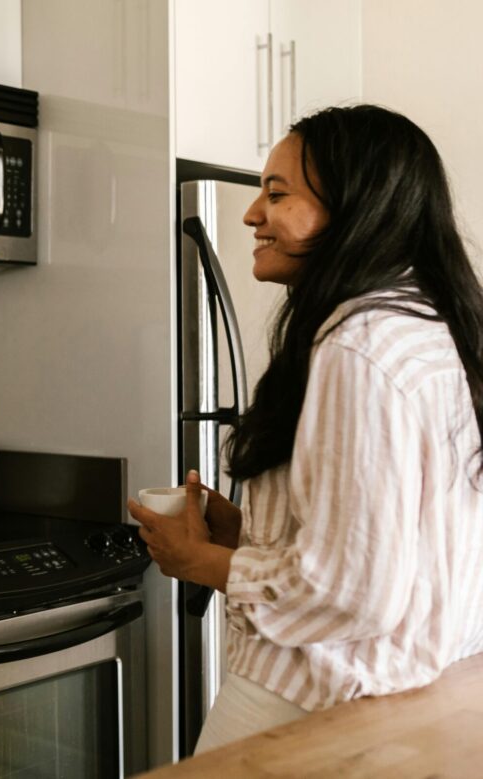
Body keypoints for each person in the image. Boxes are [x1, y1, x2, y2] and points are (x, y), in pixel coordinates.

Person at [130, 104, 483, 753]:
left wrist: (202, 560)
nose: (250, 214)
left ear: (354, 205)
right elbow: (393, 538)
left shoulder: (359, 346)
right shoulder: (423, 324)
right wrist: (247, 531)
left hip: (312, 692)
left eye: (277, 193)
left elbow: (355, 591)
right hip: (401, 693)